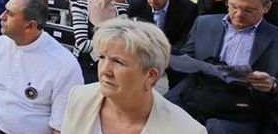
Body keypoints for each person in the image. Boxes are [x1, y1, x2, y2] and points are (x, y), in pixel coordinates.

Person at [166, 0, 278, 133]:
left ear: (266, 7)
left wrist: (273, 86)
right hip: (199, 95)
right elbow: (185, 58)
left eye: (248, 10)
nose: (238, 15)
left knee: (218, 128)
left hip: (245, 110)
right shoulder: (205, 24)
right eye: (233, 7)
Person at [0, 0, 83, 134]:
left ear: (30, 26)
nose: (1, 16)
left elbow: (59, 128)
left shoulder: (64, 66)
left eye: (10, 14)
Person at [62, 18, 205, 133]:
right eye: (102, 57)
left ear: (150, 75)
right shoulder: (79, 97)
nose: (105, 70)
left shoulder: (186, 130)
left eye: (118, 62)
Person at [127, 0, 197, 87]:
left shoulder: (187, 8)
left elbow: (185, 38)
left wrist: (167, 55)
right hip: (144, 49)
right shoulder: (136, 4)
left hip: (173, 50)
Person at [71, 0, 130, 83]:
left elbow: (125, 45)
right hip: (84, 68)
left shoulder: (122, 11)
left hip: (112, 68)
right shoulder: (80, 7)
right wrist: (114, 43)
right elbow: (82, 45)